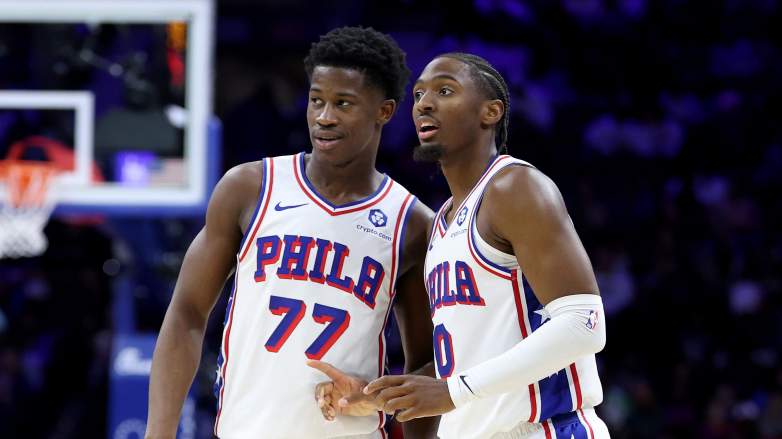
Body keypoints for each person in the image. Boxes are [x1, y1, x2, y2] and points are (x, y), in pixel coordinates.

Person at [143, 26, 438, 439]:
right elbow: (187, 313)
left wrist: (374, 395)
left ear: (384, 111)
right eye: (317, 100)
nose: (324, 116)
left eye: (343, 103)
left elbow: (428, 366)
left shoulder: (413, 223)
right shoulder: (250, 187)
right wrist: (159, 433)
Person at [314, 53, 610, 439]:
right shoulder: (441, 223)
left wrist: (453, 391)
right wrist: (376, 396)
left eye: (445, 90)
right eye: (418, 94)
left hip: (543, 429)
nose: (424, 103)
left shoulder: (514, 187)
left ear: (491, 112)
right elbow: (466, 362)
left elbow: (585, 326)